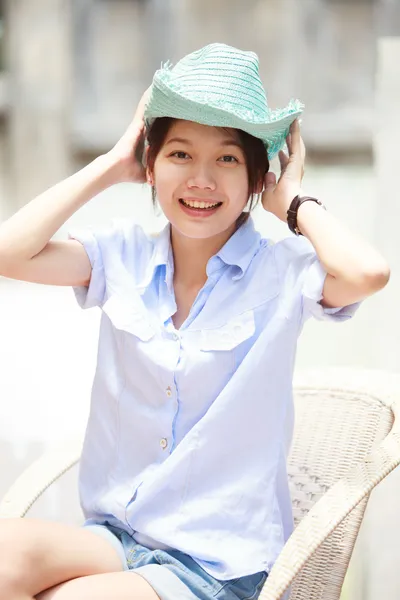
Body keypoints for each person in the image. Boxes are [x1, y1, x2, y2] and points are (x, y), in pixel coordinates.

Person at [0, 43, 390, 600]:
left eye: (228, 159)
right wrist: (111, 166)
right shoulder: (122, 257)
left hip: (215, 565)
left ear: (257, 179)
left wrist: (295, 204)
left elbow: (369, 273)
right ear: (151, 164)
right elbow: (8, 253)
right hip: (117, 536)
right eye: (179, 154)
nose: (201, 180)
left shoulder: (280, 273)